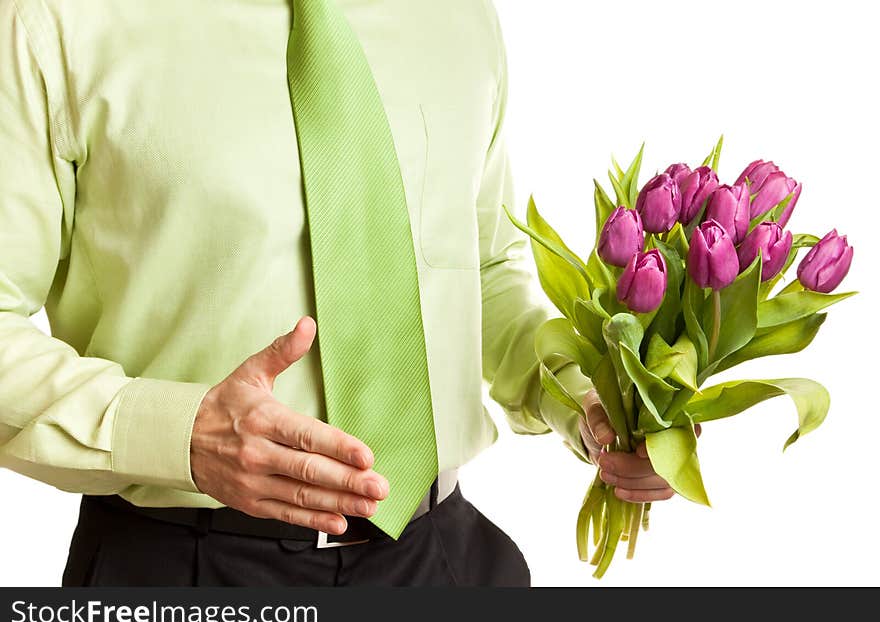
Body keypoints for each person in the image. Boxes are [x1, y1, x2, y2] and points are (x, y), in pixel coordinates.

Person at [0, 0, 675, 587]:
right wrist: (182, 435)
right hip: (187, 571)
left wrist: (592, 400)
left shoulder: (457, 17)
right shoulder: (58, 21)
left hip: (443, 561)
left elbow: (483, 270)